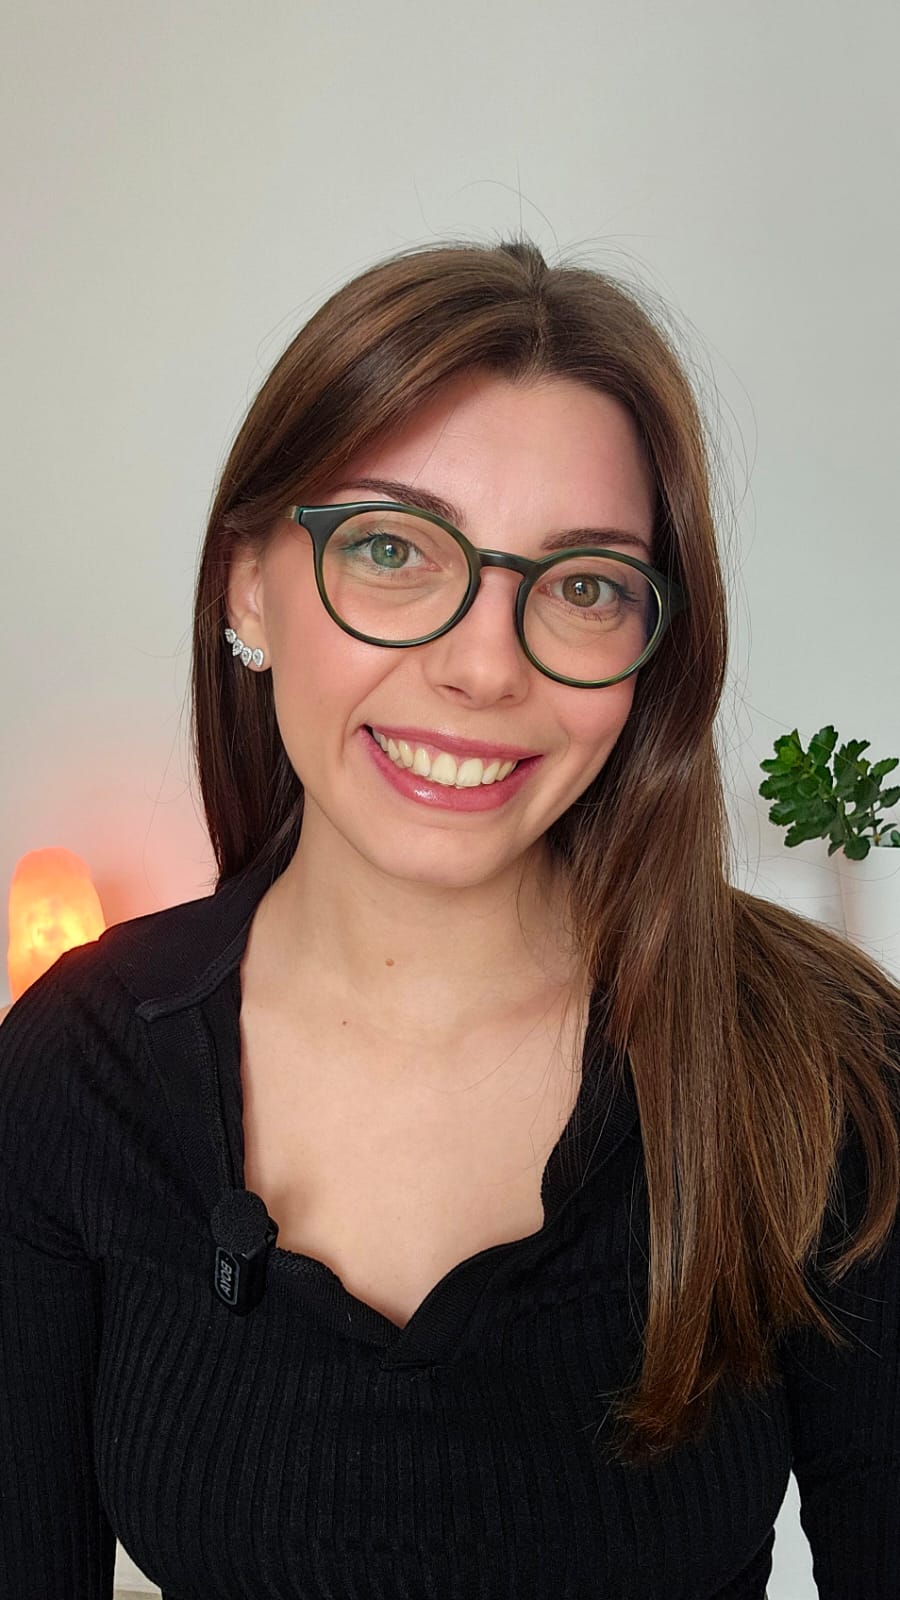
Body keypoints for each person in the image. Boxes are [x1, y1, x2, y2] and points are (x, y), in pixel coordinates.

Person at [1, 236, 898, 1600]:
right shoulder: (74, 1068)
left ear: (651, 650)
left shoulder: (825, 1064)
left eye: (585, 585)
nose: (483, 667)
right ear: (249, 586)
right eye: (391, 549)